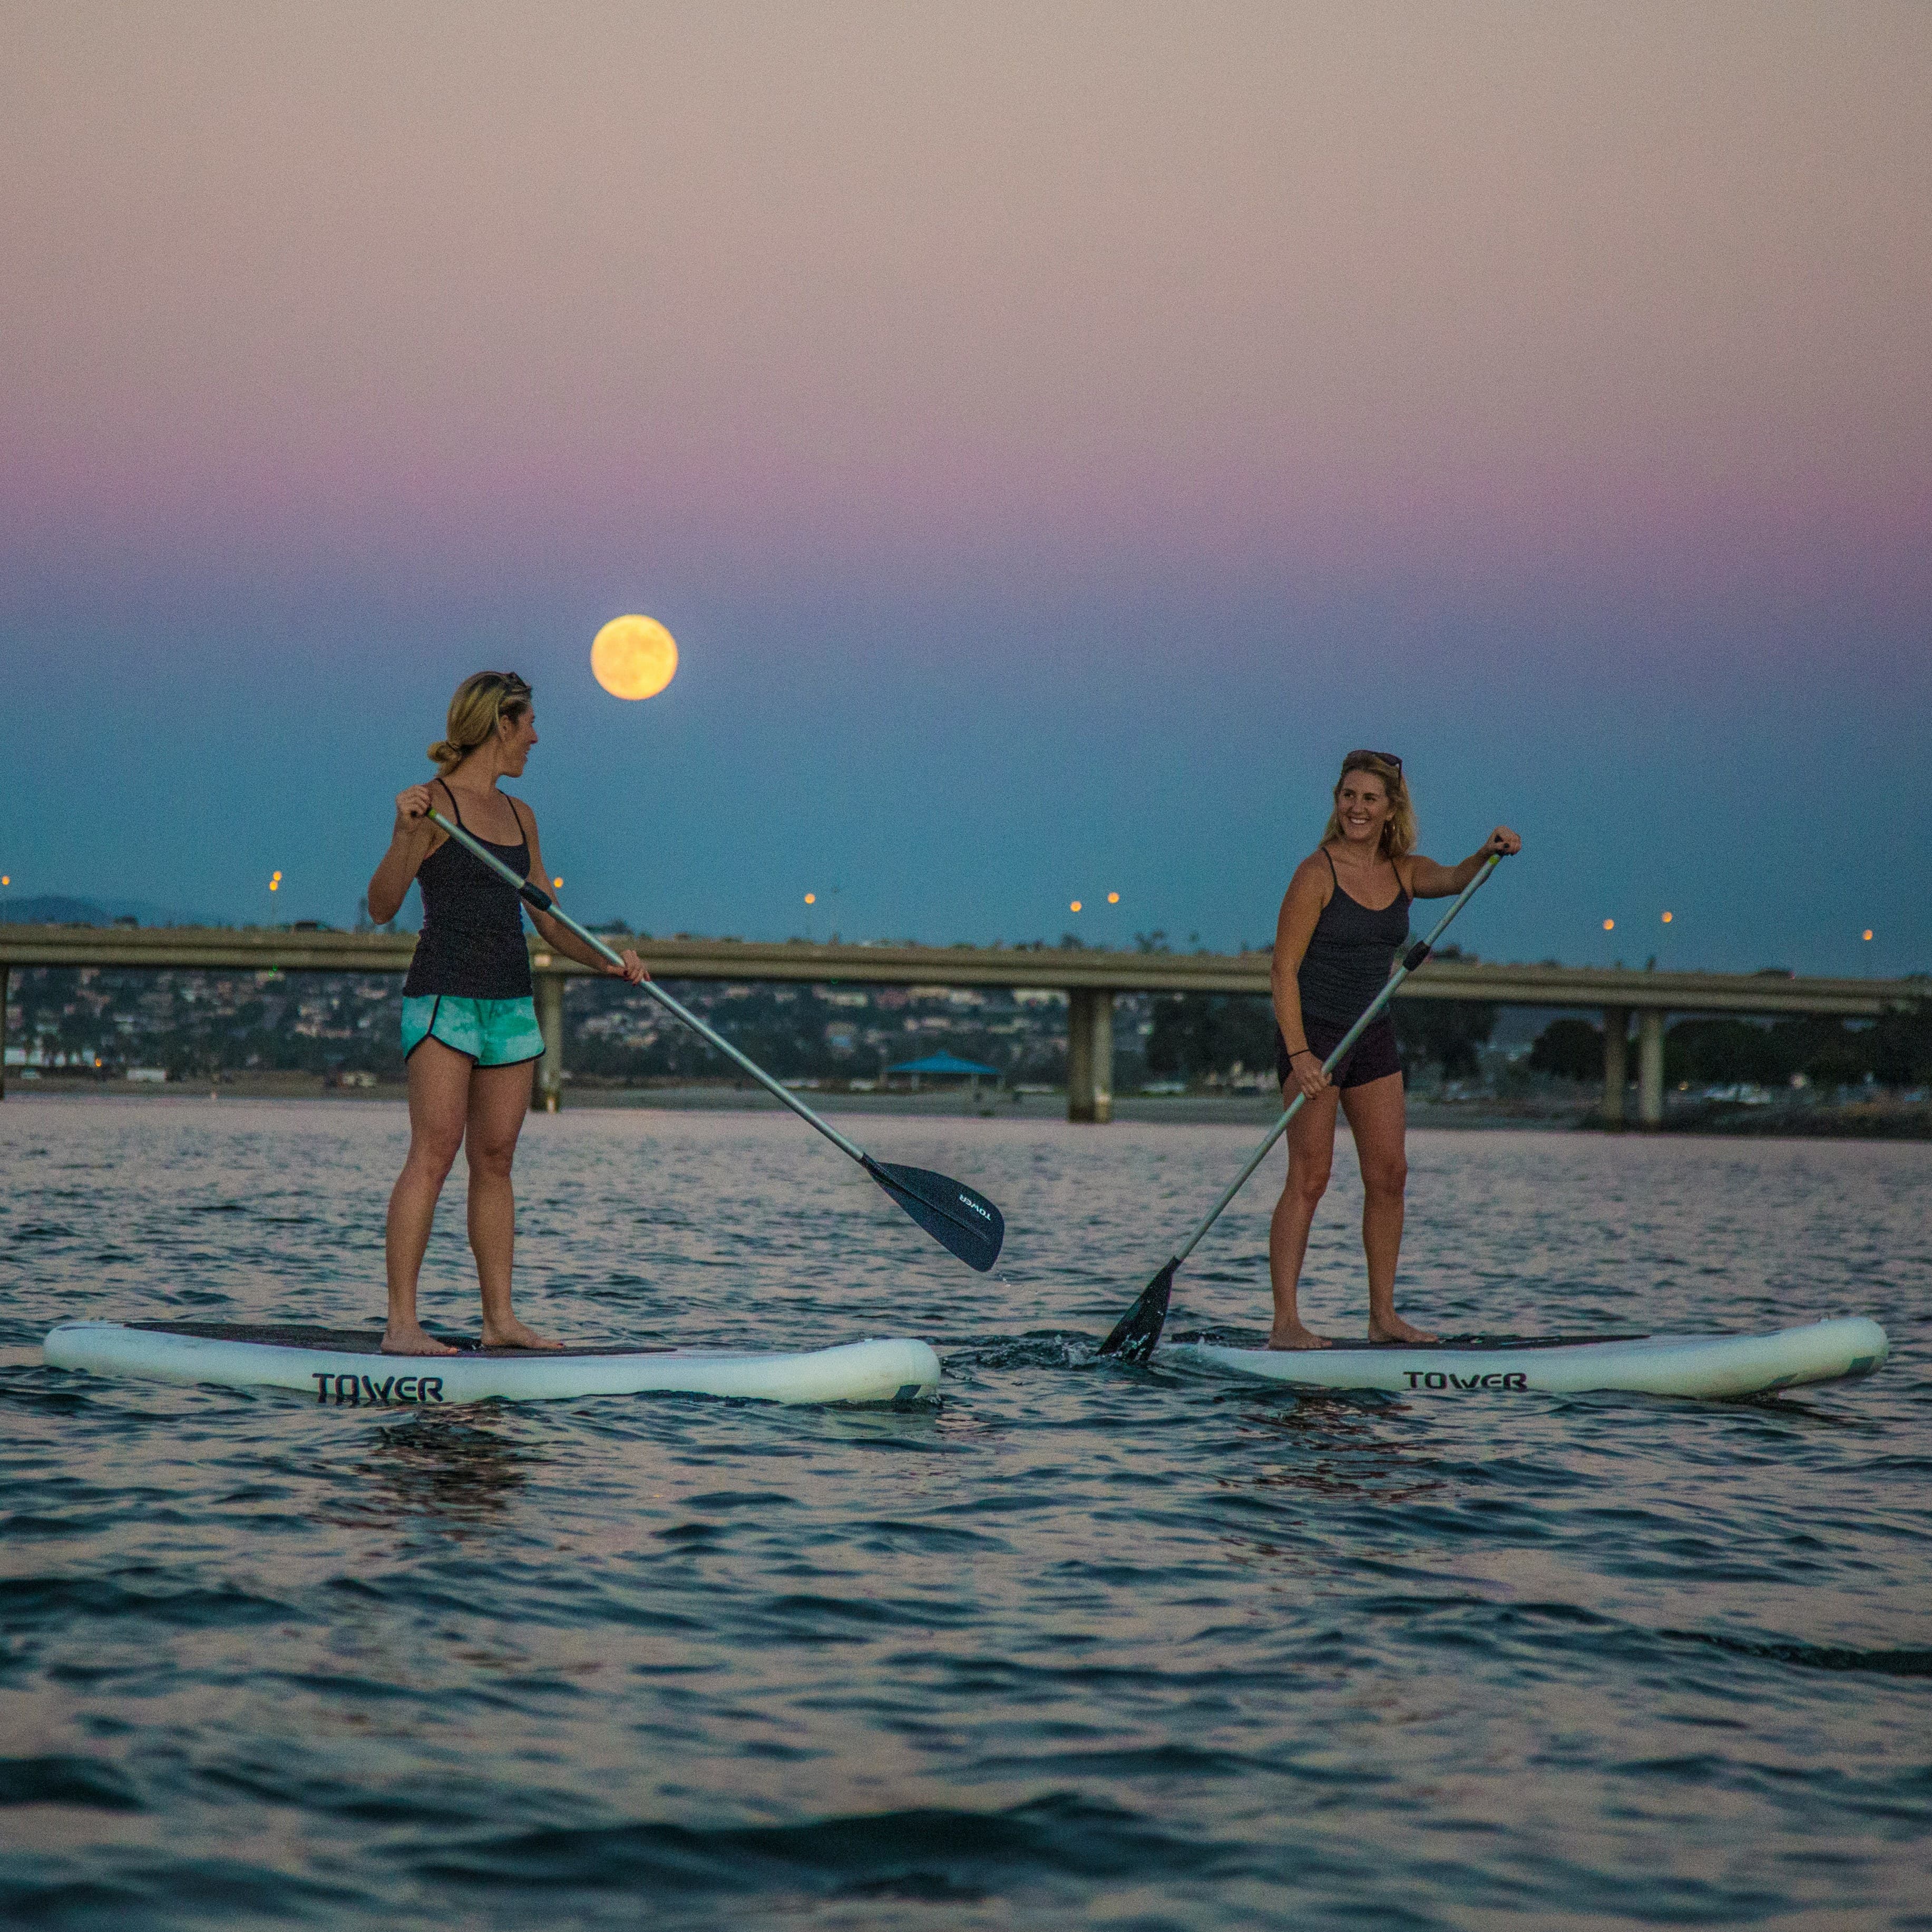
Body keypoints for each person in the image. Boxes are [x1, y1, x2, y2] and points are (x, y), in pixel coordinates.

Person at [366, 671, 645, 1354]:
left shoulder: (521, 817)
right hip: (445, 997)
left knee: (495, 1157)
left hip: (510, 1002)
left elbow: (549, 920)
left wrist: (607, 961)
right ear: (501, 723)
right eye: (529, 724)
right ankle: (401, 1325)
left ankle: (499, 1321)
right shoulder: (431, 805)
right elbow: (381, 905)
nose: (536, 738)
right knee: (434, 1152)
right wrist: (403, 834)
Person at [1268, 749, 1519, 1350]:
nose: (1356, 808)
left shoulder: (1404, 872)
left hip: (1372, 1033)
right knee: (1310, 1178)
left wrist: (1488, 853)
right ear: (1337, 801)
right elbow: (1283, 971)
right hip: (1316, 1036)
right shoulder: (1315, 874)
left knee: (1390, 1176)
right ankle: (1286, 1324)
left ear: (1390, 809)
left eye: (1369, 799)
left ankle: (1383, 1317)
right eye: (1348, 796)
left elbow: (1456, 878)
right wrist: (1300, 1055)